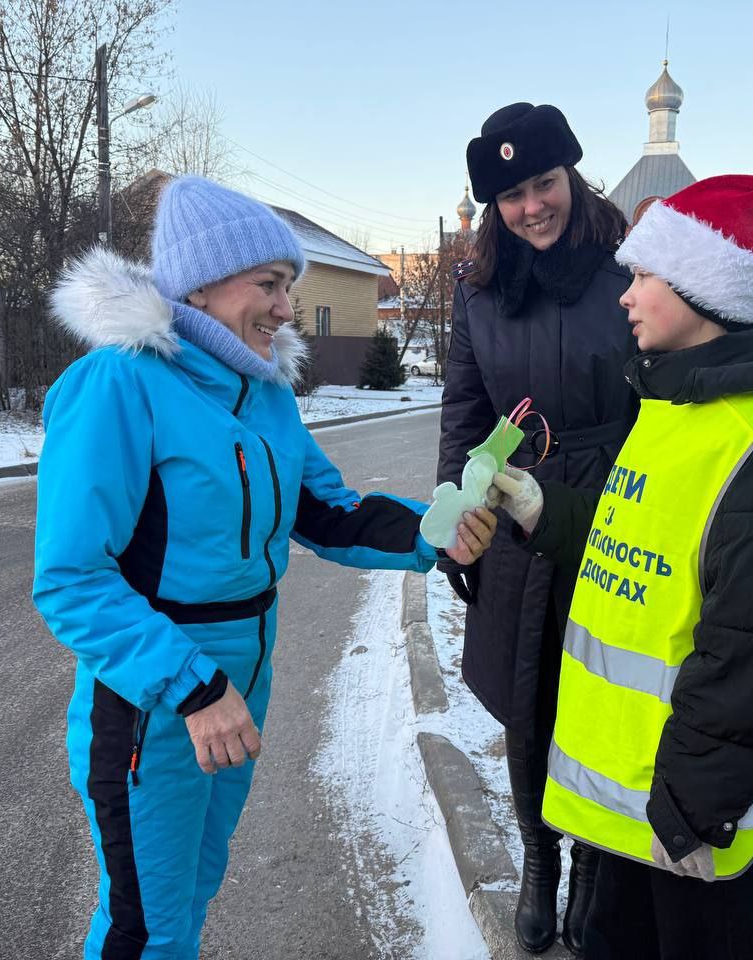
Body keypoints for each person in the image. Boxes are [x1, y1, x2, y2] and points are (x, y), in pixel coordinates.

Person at [34, 177, 496, 960]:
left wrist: (435, 535)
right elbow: (72, 580)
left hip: (242, 691)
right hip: (161, 708)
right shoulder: (120, 384)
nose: (286, 309)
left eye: (288, 289)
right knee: (147, 923)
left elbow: (326, 511)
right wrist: (194, 688)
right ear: (203, 285)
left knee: (192, 892)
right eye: (271, 286)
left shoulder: (263, 394)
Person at [488, 175, 753, 960]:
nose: (624, 297)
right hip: (640, 802)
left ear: (706, 288)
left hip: (689, 817)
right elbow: (631, 541)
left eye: (643, 276)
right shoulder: (672, 409)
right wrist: (537, 508)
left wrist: (691, 812)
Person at [437, 101, 638, 955]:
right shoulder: (479, 290)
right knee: (529, 700)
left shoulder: (629, 266)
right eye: (512, 194)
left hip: (618, 505)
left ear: (573, 178)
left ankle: (594, 860)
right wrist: (454, 513)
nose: (532, 206)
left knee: (602, 690)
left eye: (544, 183)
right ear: (495, 206)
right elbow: (464, 408)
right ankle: (538, 856)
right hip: (513, 508)